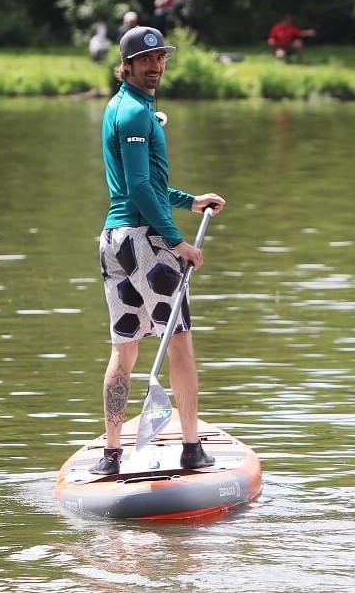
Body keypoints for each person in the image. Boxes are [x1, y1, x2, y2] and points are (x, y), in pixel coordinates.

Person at [91, 26, 227, 476]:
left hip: (115, 242)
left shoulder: (122, 108)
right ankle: (191, 448)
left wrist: (190, 201)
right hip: (145, 242)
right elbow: (139, 188)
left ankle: (112, 455)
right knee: (180, 344)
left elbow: (147, 183)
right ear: (126, 65)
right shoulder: (134, 114)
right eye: (147, 60)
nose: (156, 67)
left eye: (161, 58)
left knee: (124, 347)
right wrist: (176, 241)